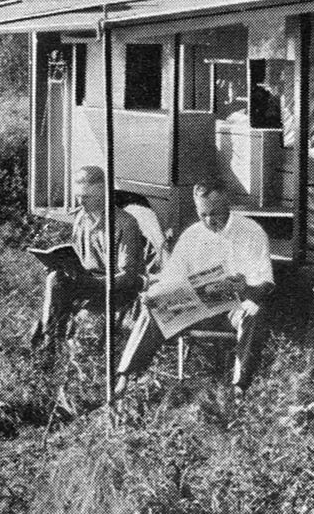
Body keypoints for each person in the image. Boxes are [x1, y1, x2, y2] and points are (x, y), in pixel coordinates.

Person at [115, 178, 274, 392]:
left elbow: (266, 286)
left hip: (234, 310)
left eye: (215, 213)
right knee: (152, 309)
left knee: (253, 311)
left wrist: (244, 288)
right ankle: (125, 379)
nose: (209, 220)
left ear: (227, 203)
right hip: (196, 310)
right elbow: (171, 278)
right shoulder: (192, 235)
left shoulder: (251, 232)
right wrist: (154, 294)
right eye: (202, 214)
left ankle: (240, 388)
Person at [30, 165, 149, 349]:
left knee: (82, 322)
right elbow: (78, 256)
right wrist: (59, 264)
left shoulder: (125, 223)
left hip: (118, 287)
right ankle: (49, 339)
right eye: (78, 196)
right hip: (89, 280)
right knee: (55, 279)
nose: (81, 202)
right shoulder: (81, 219)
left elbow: (128, 277)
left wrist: (92, 283)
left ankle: (58, 341)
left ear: (103, 195)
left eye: (87, 197)